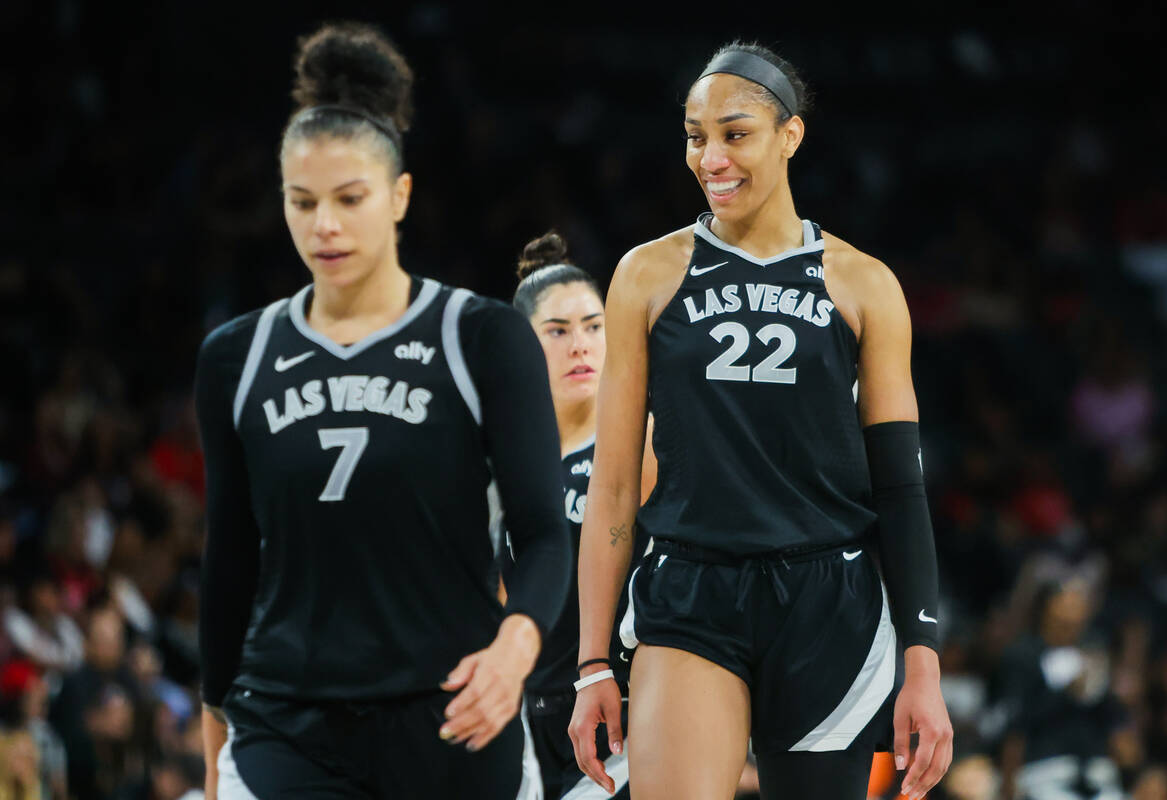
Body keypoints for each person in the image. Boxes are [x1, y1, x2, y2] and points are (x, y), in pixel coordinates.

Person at [569, 42, 953, 800]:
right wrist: (589, 665)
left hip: (830, 603)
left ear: (790, 134)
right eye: (694, 134)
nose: (711, 156)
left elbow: (901, 493)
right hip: (690, 590)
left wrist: (924, 659)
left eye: (735, 133)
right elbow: (612, 487)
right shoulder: (645, 275)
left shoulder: (864, 283)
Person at [194, 22, 569, 798]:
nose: (323, 224)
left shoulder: (481, 337)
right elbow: (229, 553)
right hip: (284, 724)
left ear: (399, 196)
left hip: (457, 713)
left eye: (349, 198)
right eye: (302, 201)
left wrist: (516, 647)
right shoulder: (237, 355)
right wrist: (213, 712)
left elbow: (542, 534)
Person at [508, 232, 656, 799]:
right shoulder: (499, 462)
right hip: (524, 723)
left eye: (595, 326)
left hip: (625, 718)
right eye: (558, 330)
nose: (582, 346)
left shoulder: (646, 442)